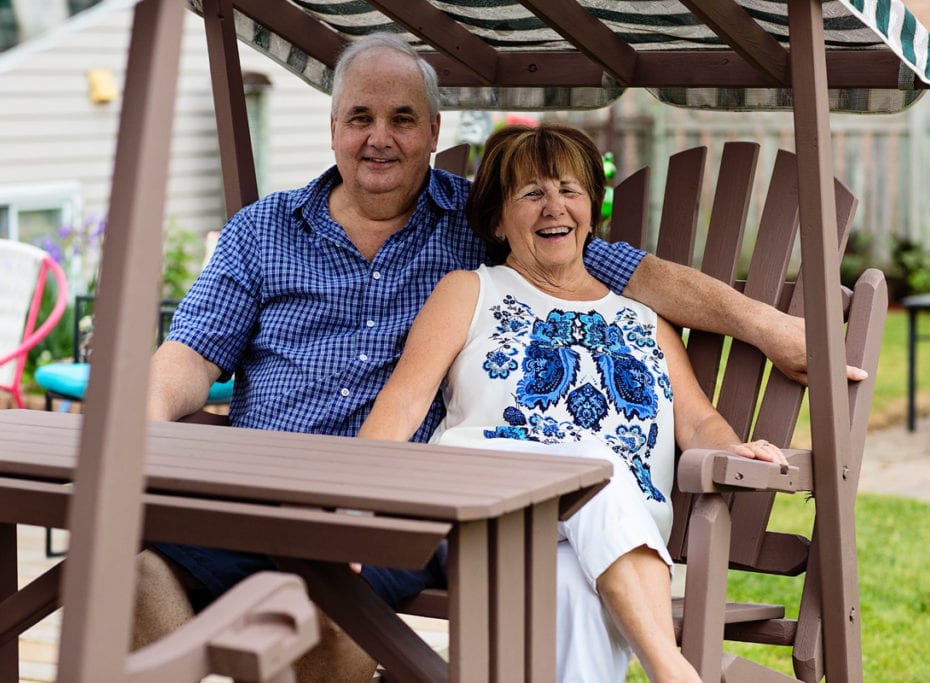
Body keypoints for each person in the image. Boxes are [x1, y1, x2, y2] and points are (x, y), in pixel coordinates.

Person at [141, 31, 861, 680]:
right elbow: (190, 354)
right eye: (360, 117)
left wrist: (769, 327)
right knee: (133, 574)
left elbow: (626, 276)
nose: (379, 137)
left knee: (343, 604)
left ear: (432, 131)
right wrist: (133, 421)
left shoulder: (477, 224)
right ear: (334, 129)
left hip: (400, 506)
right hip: (261, 485)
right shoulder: (263, 231)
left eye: (400, 119)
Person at [357, 122, 788, 682]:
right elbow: (405, 400)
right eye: (531, 193)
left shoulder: (644, 319)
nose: (553, 207)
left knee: (575, 595)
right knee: (595, 467)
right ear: (496, 220)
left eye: (569, 190)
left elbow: (698, 418)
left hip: (606, 537)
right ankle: (672, 670)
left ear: (591, 209)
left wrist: (736, 449)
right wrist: (355, 507)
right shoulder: (471, 290)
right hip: (490, 506)